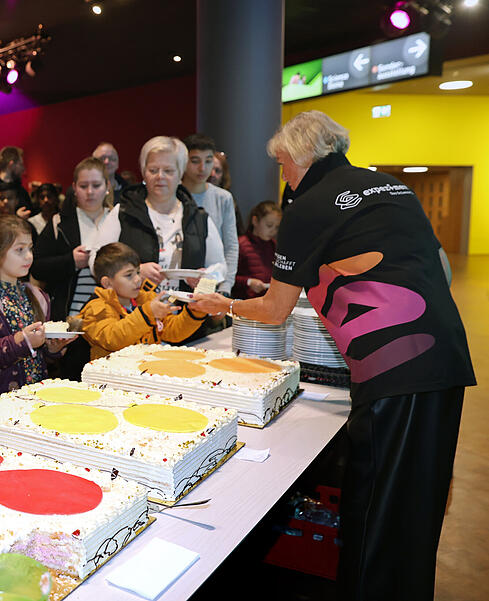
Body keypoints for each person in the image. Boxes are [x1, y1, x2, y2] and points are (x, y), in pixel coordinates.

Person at [190, 110, 475, 601]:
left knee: (375, 512)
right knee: (418, 506)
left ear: (302, 156)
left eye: (282, 163)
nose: (283, 175)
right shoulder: (392, 188)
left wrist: (224, 305)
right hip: (445, 355)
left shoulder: (309, 206)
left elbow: (275, 310)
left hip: (393, 369)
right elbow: (441, 269)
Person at [0, 215, 73, 413]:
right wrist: (23, 342)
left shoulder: (36, 295)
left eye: (30, 248)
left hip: (32, 400)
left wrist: (52, 348)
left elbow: (40, 356)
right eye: (19, 250)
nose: (28, 256)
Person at [93, 136, 227, 293]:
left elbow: (220, 267)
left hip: (185, 307)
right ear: (144, 173)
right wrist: (135, 271)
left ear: (180, 174)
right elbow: (96, 261)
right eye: (153, 170)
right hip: (135, 307)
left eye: (168, 171)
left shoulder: (199, 218)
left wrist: (206, 278)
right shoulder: (123, 212)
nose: (160, 176)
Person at [31, 157, 113, 379]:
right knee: (73, 381)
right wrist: (70, 261)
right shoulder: (59, 221)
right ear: (74, 188)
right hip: (72, 320)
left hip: (111, 317)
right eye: (83, 186)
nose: (90, 192)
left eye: (96, 185)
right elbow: (37, 267)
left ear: (107, 186)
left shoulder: (118, 219)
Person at [80, 243, 205, 360]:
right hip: (110, 373)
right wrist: (146, 314)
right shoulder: (96, 308)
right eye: (129, 275)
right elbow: (112, 339)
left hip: (146, 368)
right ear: (107, 283)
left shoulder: (145, 299)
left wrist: (195, 311)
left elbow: (173, 332)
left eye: (138, 272)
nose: (138, 279)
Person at [181, 134, 237, 296]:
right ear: (183, 161)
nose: (202, 168)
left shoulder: (223, 198)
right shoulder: (173, 194)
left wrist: (226, 287)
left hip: (213, 284)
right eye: (195, 161)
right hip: (178, 281)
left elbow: (231, 246)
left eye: (208, 161)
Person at [232, 201, 281, 299]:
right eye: (269, 225)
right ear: (255, 221)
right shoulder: (240, 245)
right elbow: (228, 277)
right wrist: (248, 282)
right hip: (244, 301)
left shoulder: (274, 245)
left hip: (268, 299)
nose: (273, 231)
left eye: (276, 227)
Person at [207, 150, 245, 236]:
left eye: (217, 171)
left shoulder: (227, 199)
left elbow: (237, 233)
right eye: (209, 169)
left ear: (223, 175)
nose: (212, 174)